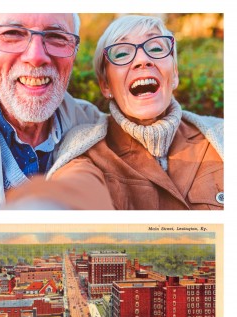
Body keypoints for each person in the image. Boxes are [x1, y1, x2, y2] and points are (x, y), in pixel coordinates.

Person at [43, 14, 224, 210]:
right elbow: (75, 191)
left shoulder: (221, 135)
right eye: (121, 54)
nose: (143, 60)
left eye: (156, 48)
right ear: (105, 85)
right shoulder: (85, 149)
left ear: (175, 75)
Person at [0, 13, 112, 210]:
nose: (35, 57)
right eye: (12, 34)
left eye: (56, 37)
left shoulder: (97, 128)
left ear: (74, 53)